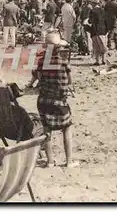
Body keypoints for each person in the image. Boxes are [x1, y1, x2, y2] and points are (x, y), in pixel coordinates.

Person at [35, 32, 77, 168]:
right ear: (58, 47)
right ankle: (69, 161)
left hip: (44, 101)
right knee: (67, 128)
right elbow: (70, 82)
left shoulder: (42, 62)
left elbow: (40, 80)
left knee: (47, 130)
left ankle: (50, 161)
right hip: (59, 101)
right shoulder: (63, 61)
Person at [88, 0, 108, 66]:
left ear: (93, 4)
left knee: (96, 47)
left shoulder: (92, 11)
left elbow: (90, 21)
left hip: (95, 30)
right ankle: (104, 60)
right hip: (103, 30)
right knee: (103, 45)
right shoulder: (103, 10)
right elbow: (106, 20)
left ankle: (97, 61)